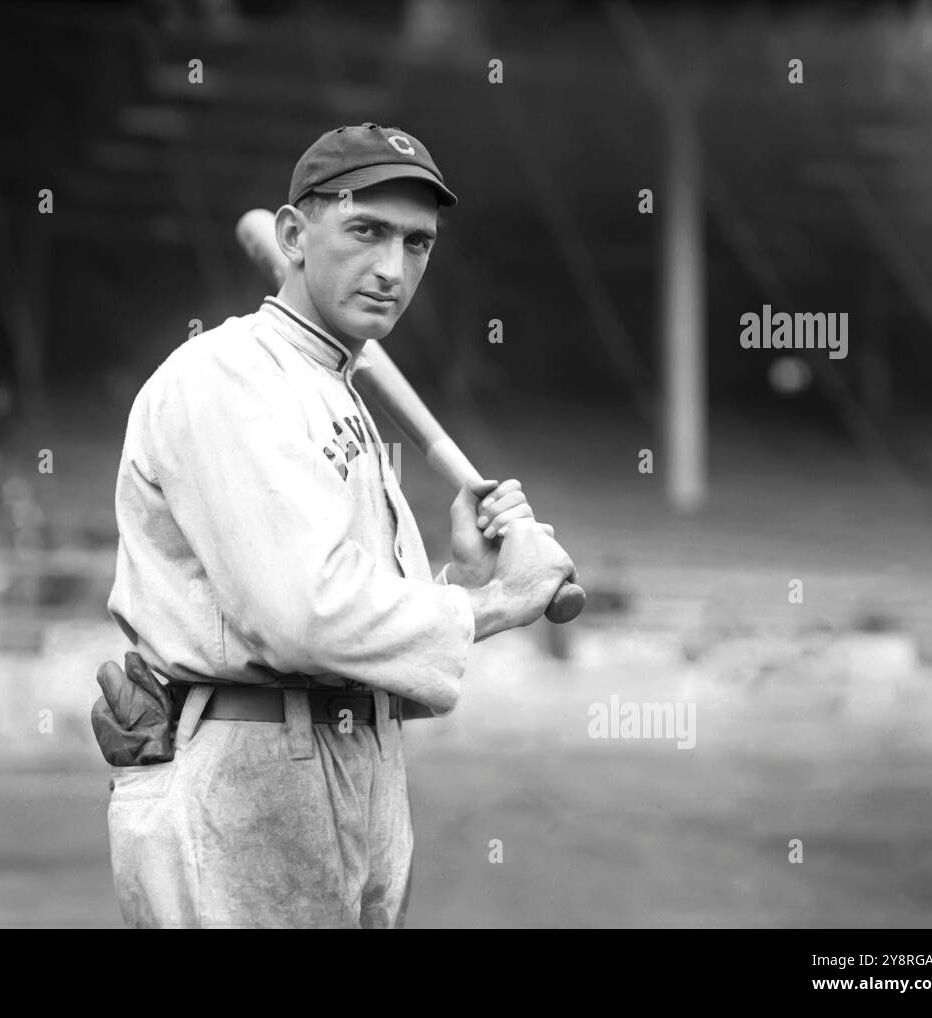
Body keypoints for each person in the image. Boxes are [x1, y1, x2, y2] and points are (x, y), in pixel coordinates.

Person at [96, 123, 577, 928]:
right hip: (242, 778)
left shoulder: (333, 387)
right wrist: (503, 604)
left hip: (348, 768)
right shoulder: (229, 378)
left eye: (417, 244)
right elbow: (302, 617)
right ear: (292, 235)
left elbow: (357, 640)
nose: (393, 268)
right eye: (366, 231)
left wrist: (463, 583)